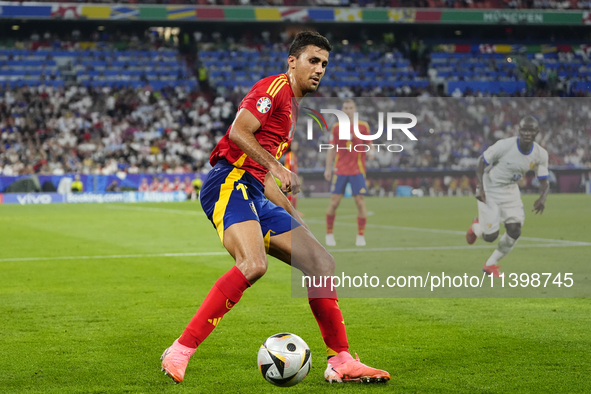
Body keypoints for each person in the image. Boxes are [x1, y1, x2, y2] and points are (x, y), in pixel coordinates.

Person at [161, 31, 390, 385]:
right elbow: (239, 132)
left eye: (325, 64)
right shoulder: (275, 89)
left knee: (321, 262)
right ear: (292, 61)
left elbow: (267, 178)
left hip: (253, 188)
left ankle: (341, 361)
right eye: (313, 60)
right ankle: (181, 349)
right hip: (228, 181)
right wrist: (278, 165)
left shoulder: (293, 110)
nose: (319, 69)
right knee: (253, 265)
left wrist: (296, 218)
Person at [466, 116, 549, 278]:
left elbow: (544, 180)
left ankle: (490, 265)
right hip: (490, 188)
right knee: (490, 236)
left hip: (510, 190)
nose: (527, 133)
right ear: (519, 131)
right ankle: (476, 227)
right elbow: (480, 161)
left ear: (537, 133)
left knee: (515, 230)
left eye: (530, 130)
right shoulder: (505, 146)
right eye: (524, 129)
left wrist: (542, 198)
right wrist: (479, 187)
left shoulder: (541, 154)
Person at [323, 100, 372, 247]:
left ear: (355, 110)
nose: (348, 110)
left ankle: (360, 235)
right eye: (346, 108)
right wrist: (327, 168)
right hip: (340, 169)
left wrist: (372, 152)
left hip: (358, 170)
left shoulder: (363, 126)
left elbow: (369, 144)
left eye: (351, 108)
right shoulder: (336, 128)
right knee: (334, 202)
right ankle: (329, 233)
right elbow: (331, 149)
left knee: (360, 202)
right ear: (342, 110)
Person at [283, 141, 300, 210]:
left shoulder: (293, 155)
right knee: (292, 194)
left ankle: (292, 210)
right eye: (294, 145)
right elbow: (290, 166)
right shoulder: (290, 155)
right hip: (290, 176)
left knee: (292, 194)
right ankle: (291, 210)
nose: (296, 146)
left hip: (291, 176)